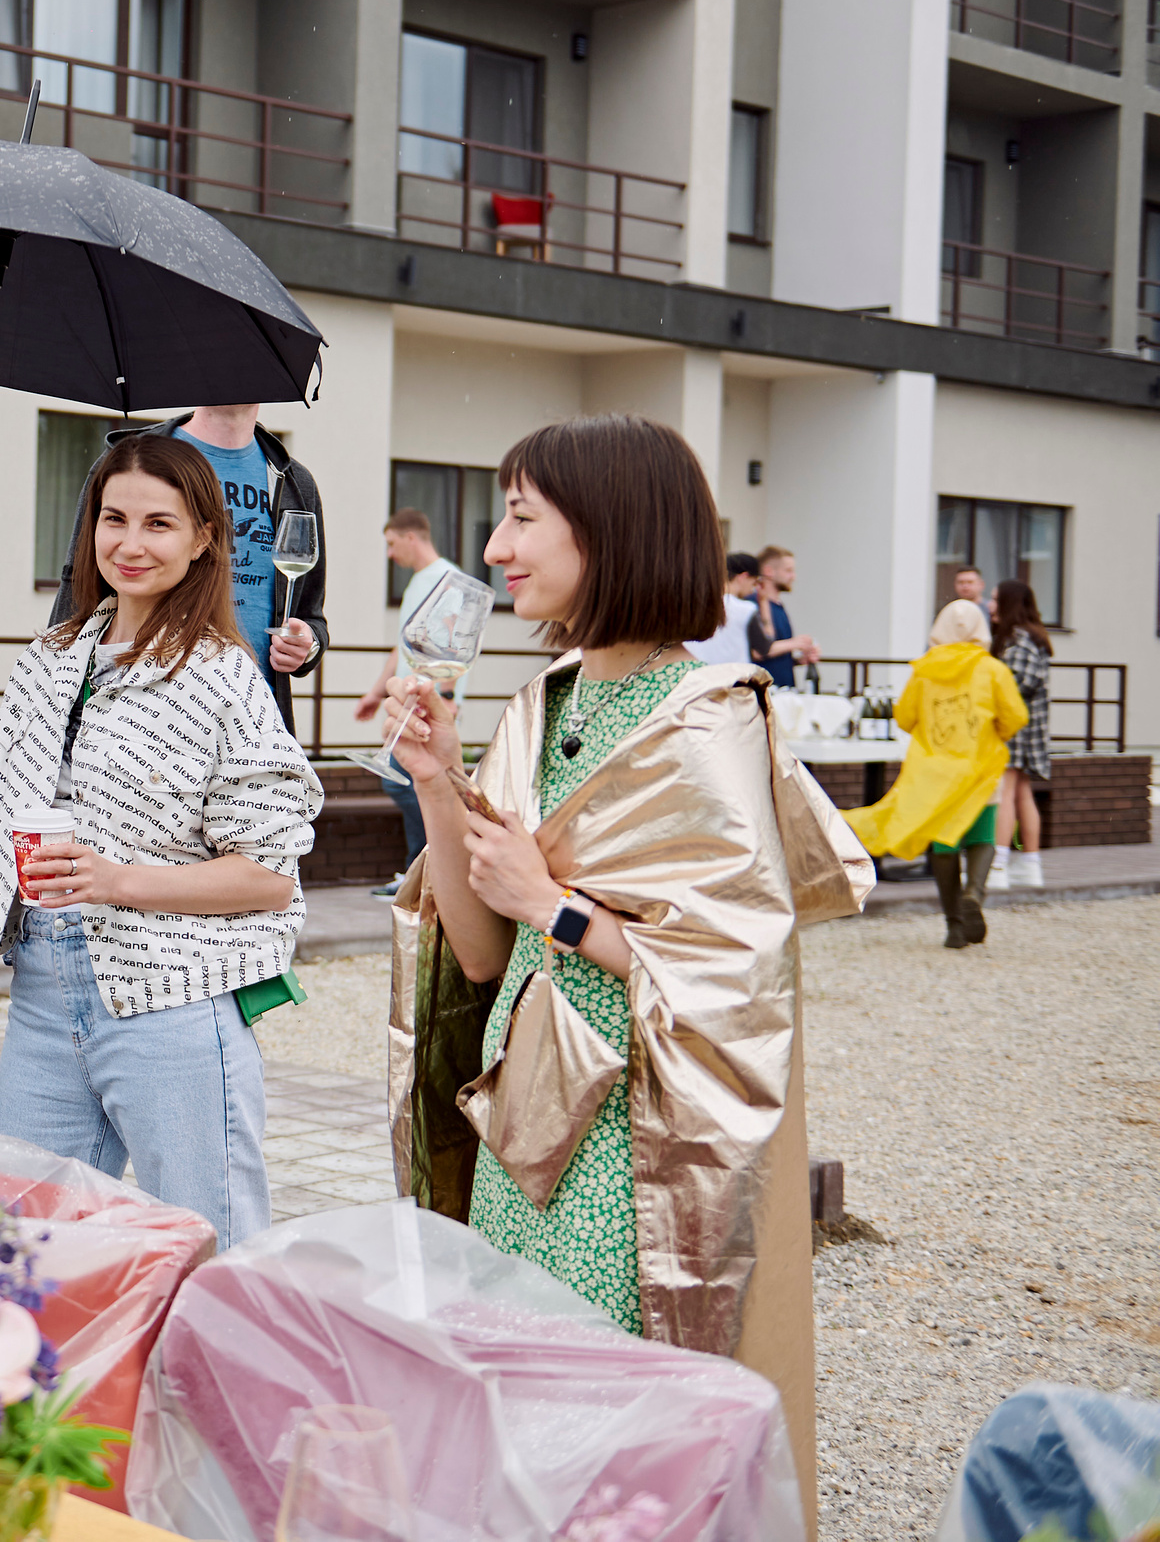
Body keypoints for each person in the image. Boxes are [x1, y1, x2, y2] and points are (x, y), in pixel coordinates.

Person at [383, 414, 868, 1472]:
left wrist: (553, 907)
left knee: (607, 1420)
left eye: (519, 520)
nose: (498, 550)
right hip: (531, 1126)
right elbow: (477, 957)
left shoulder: (706, 720)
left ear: (608, 530)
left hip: (635, 1146)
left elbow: (736, 978)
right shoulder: (538, 704)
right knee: (518, 1402)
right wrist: (433, 779)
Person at [0, 433, 318, 1247]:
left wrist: (115, 879)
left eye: (160, 523)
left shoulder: (225, 677)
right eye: (113, 518)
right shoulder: (54, 655)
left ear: (203, 540)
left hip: (171, 1002)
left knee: (215, 1252)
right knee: (7, 1245)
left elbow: (267, 876)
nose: (130, 542)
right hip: (46, 994)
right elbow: (13, 838)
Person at [50, 401, 327, 727]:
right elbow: (79, 584)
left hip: (249, 724)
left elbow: (310, 615)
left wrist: (307, 646)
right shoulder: (130, 461)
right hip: (133, 715)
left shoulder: (294, 482)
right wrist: (52, 690)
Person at [842, 602, 1028, 948]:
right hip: (980, 767)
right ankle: (974, 891)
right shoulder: (992, 669)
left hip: (934, 772)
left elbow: (904, 717)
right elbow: (1015, 716)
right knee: (982, 835)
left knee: (944, 844)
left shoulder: (924, 670)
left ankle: (954, 925)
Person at [353, 510, 461, 896]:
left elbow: (452, 642)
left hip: (430, 702)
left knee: (406, 783)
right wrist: (375, 692)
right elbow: (403, 647)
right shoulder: (419, 582)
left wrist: (446, 696)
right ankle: (420, 871)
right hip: (409, 697)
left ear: (411, 538)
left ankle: (425, 870)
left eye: (392, 543)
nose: (389, 553)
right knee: (401, 781)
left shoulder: (445, 579)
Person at [989, 579, 1054, 889]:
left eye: (994, 599)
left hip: (1015, 728)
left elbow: (1015, 687)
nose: (989, 606)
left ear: (1008, 604)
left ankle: (998, 867)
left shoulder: (1020, 640)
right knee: (1021, 793)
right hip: (1027, 728)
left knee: (1005, 792)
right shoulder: (1031, 638)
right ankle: (1030, 866)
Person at [748, 545, 820, 687]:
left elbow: (774, 652)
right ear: (769, 571)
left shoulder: (779, 606)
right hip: (765, 691)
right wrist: (795, 643)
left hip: (784, 689)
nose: (793, 577)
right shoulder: (753, 604)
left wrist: (799, 660)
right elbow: (758, 650)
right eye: (788, 571)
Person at [686, 552, 761, 666]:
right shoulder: (747, 609)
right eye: (754, 583)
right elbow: (763, 648)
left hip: (699, 672)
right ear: (743, 576)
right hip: (733, 677)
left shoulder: (695, 604)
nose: (753, 589)